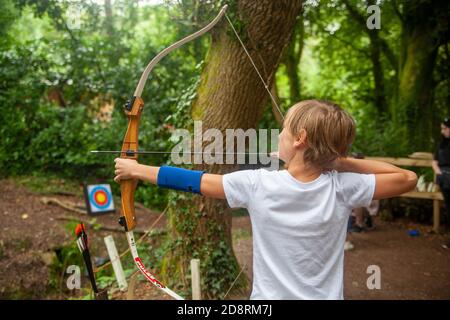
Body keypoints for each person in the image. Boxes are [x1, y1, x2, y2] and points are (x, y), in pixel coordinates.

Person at [114, 99, 417, 299]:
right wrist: (339, 162)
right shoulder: (342, 187)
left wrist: (137, 169)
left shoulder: (257, 184)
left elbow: (199, 182)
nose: (279, 135)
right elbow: (407, 178)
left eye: (284, 130)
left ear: (300, 138)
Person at [431, 118, 450, 249]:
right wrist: (440, 173)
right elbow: (434, 161)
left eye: (445, 128)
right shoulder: (441, 144)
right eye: (442, 128)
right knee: (449, 208)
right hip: (444, 178)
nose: (442, 131)